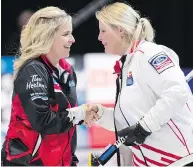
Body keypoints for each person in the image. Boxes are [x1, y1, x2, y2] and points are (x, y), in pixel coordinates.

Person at [88, 2, 193, 166]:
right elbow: (131, 123)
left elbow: (177, 92)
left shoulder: (149, 54)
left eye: (103, 31)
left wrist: (143, 127)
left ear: (120, 30)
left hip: (179, 161)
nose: (99, 37)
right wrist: (101, 115)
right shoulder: (128, 64)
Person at [1, 6, 99, 166]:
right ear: (48, 36)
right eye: (66, 34)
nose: (73, 39)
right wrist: (79, 114)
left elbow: (66, 119)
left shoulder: (67, 70)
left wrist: (71, 160)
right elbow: (43, 121)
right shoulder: (33, 69)